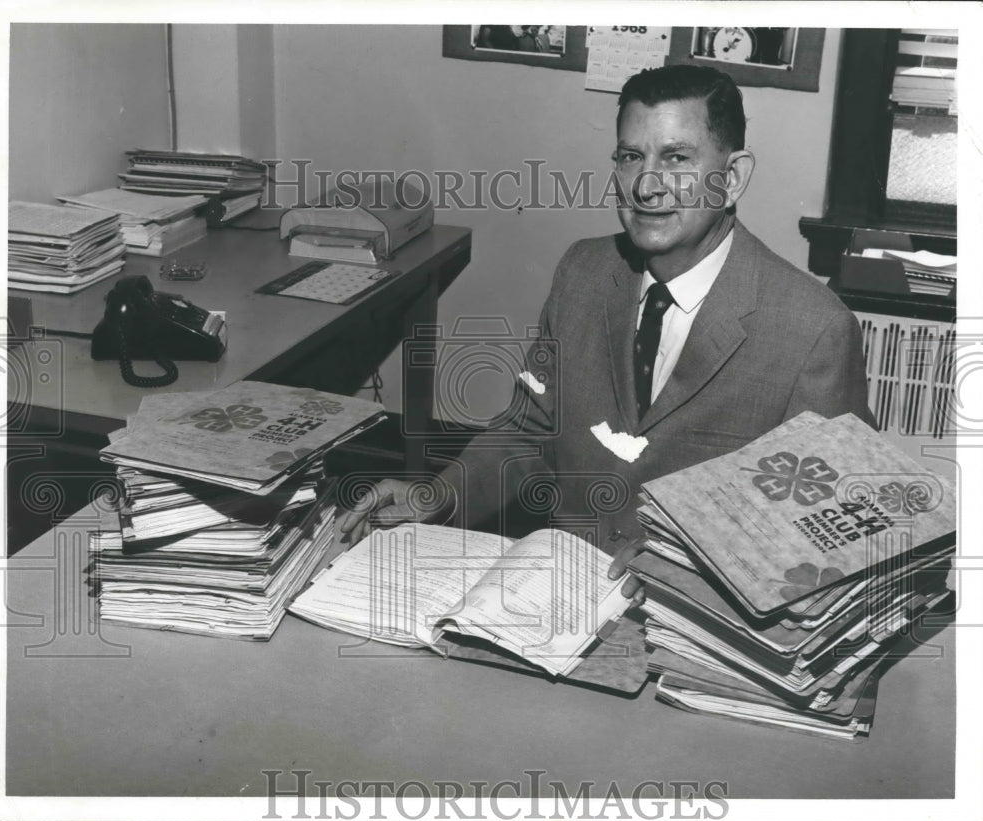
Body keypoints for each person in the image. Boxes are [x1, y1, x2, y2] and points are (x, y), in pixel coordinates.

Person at [340, 65, 875, 601]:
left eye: (677, 158)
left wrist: (691, 572)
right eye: (629, 157)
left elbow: (824, 530)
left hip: (701, 626)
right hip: (557, 596)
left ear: (731, 177)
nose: (646, 185)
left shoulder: (814, 330)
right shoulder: (583, 273)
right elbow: (530, 431)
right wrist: (440, 494)